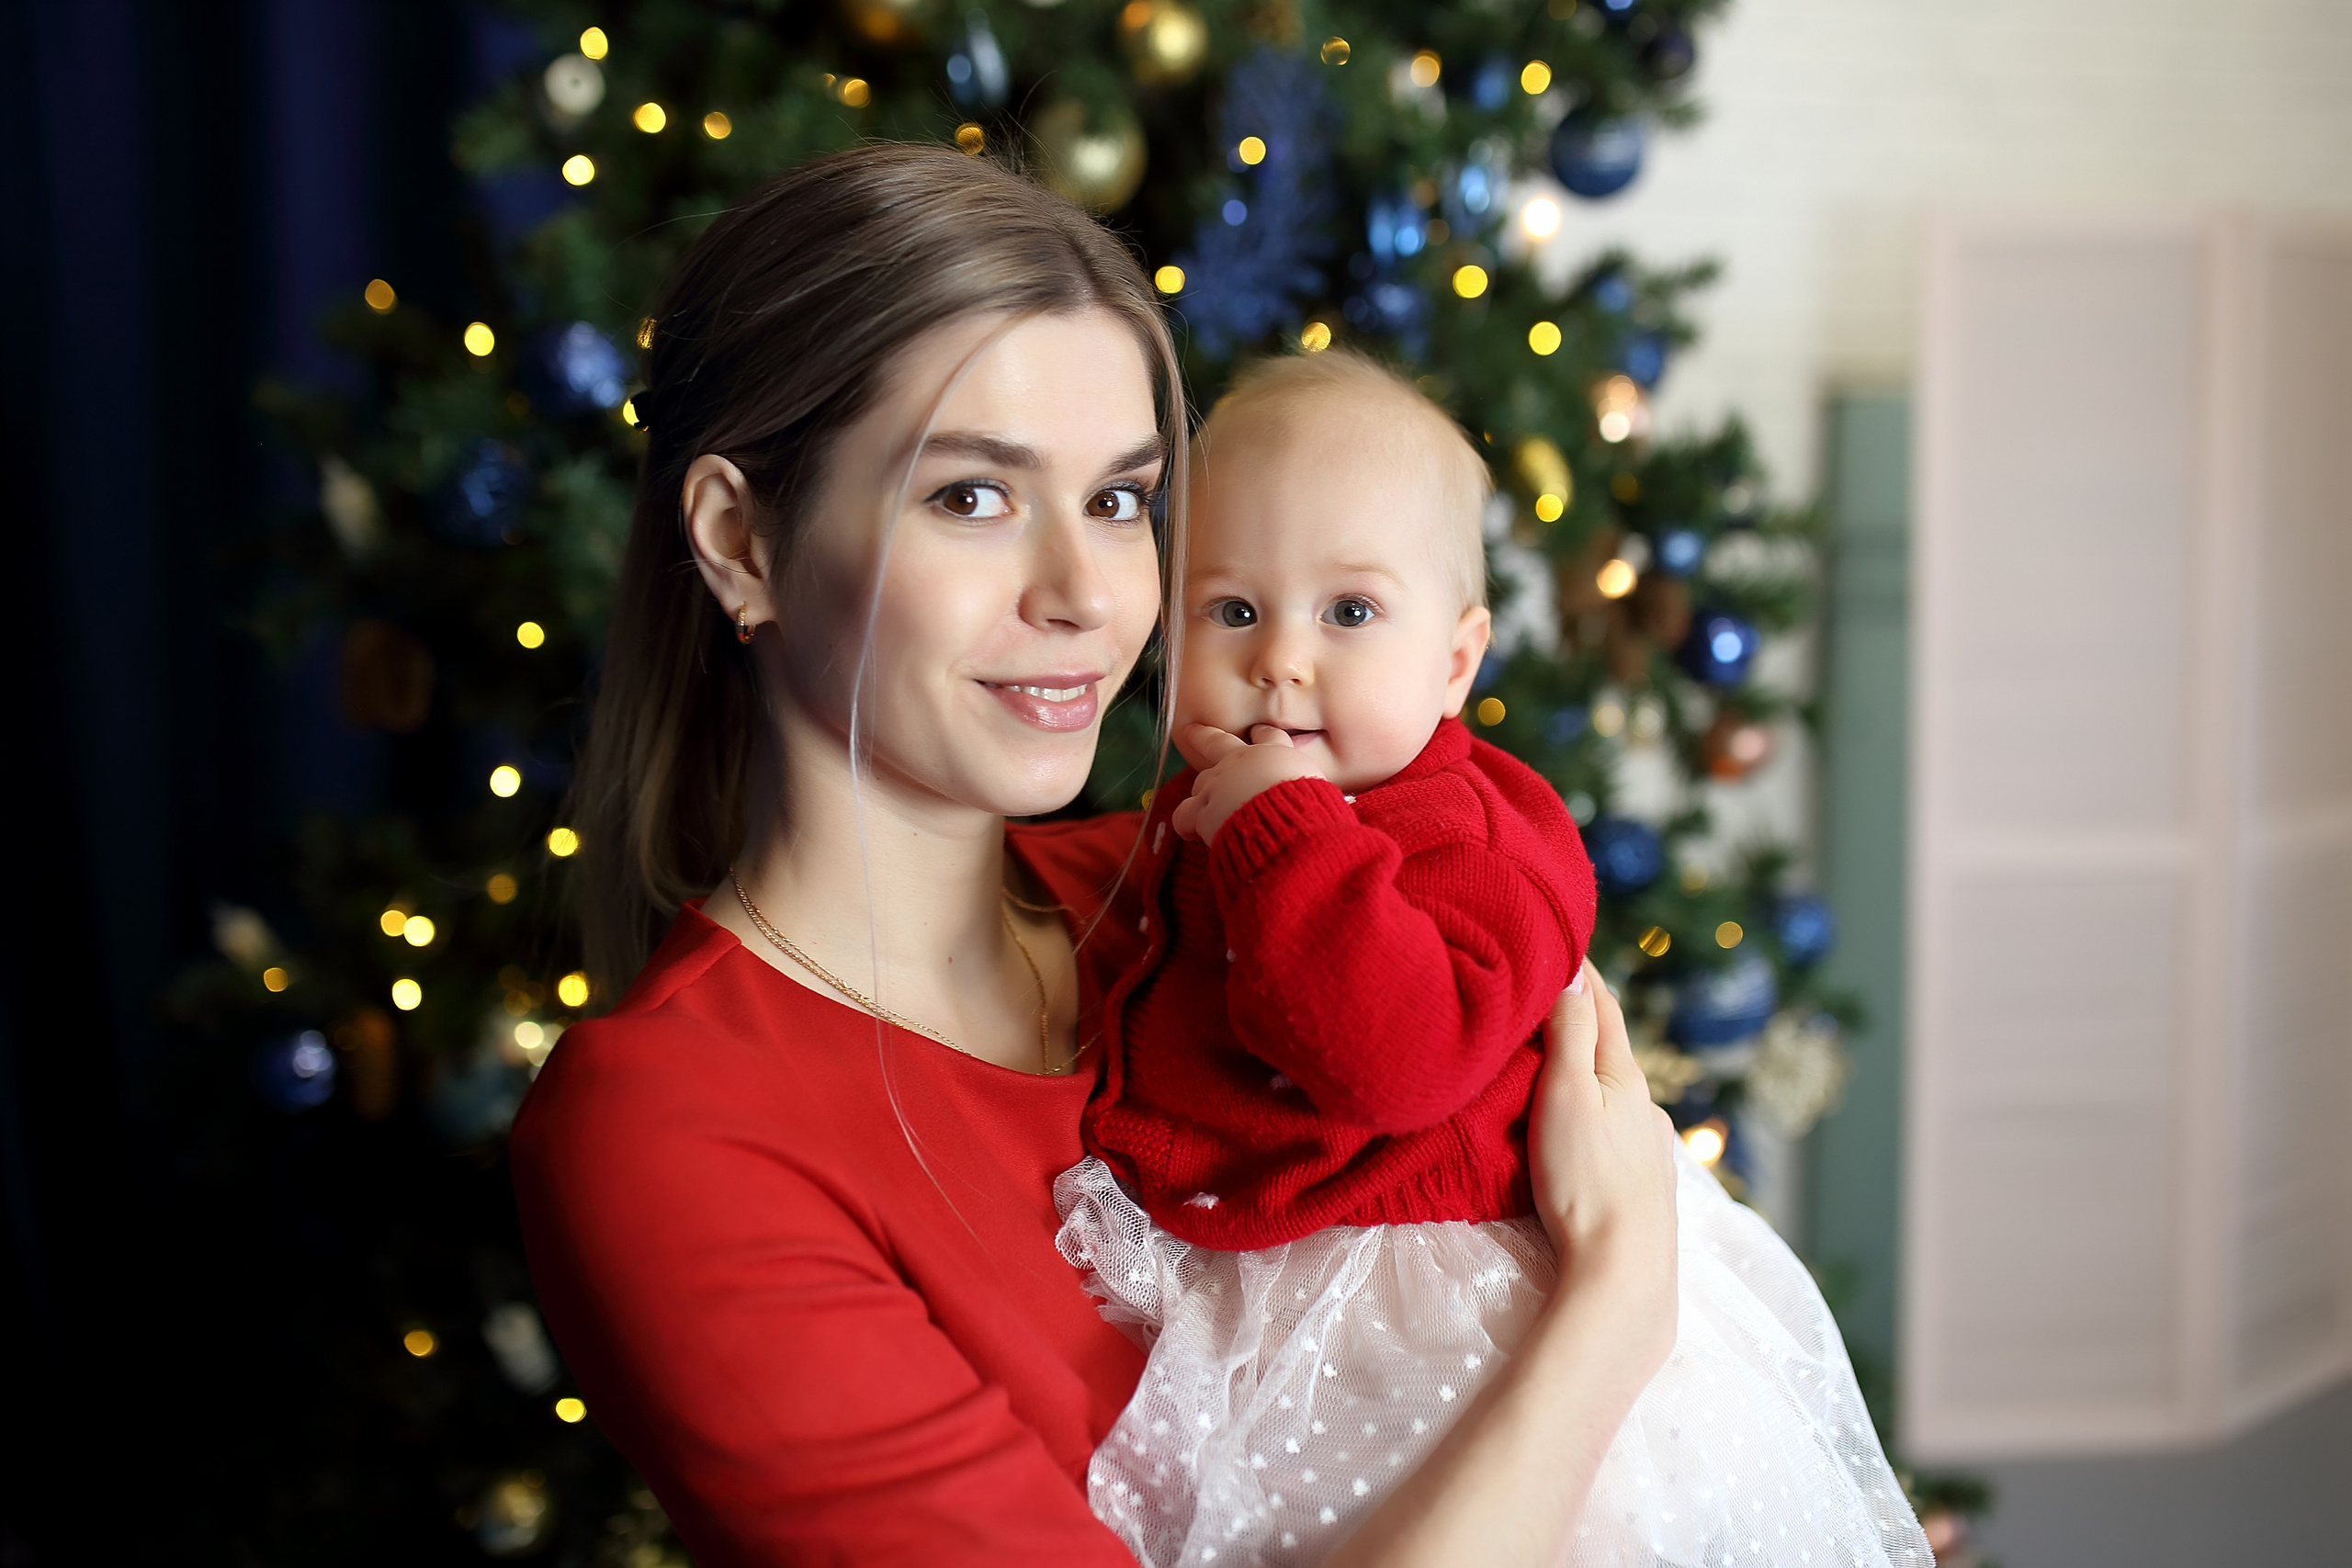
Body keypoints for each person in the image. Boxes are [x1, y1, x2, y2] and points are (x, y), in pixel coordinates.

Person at [510, 144, 1679, 1568]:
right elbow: (1599, 1251)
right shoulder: (675, 1130)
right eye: (972, 496)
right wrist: (1615, 1307)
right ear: (743, 542)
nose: (1085, 596)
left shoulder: (1228, 887)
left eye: (1122, 501)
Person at [1056, 352, 1934, 1568]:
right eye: (1234, 611)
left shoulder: (1473, 840)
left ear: (1458, 661)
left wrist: (1282, 830)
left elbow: (1397, 1060)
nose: (1281, 661)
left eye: (1349, 613)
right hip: (1281, 1255)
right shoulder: (1220, 800)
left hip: (1437, 1305)